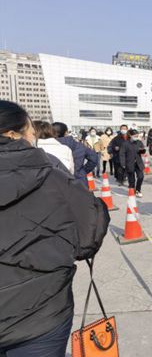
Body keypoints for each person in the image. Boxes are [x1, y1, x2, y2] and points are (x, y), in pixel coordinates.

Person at [0, 101, 110, 357]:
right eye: (31, 130)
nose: (34, 136)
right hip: (40, 313)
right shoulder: (49, 170)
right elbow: (89, 234)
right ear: (14, 134)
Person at [53, 122, 98, 186]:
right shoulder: (79, 145)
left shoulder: (48, 146)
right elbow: (94, 158)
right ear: (66, 132)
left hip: (56, 181)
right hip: (79, 180)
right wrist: (83, 170)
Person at [119, 128, 146, 198]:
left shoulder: (139, 142)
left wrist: (142, 150)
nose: (136, 137)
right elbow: (122, 154)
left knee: (141, 177)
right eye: (135, 136)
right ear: (130, 135)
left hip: (138, 163)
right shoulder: (125, 143)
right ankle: (132, 189)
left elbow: (142, 150)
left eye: (137, 136)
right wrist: (123, 163)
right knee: (131, 179)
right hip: (129, 163)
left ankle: (138, 189)